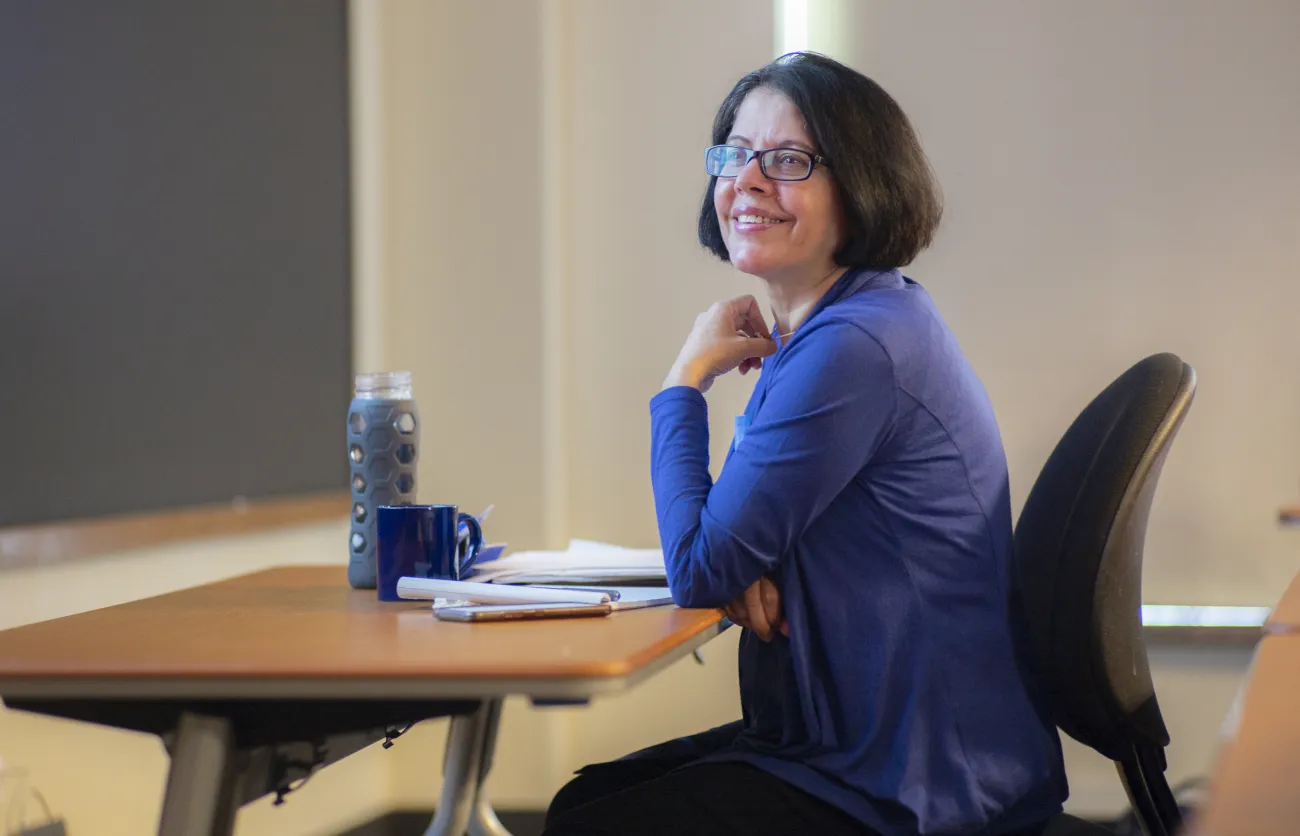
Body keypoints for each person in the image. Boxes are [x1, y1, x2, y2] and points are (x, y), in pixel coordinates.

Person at [542, 52, 1067, 836]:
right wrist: (754, 556)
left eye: (788, 161)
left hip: (914, 780)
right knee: (585, 804)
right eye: (735, 153)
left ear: (861, 188)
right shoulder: (840, 329)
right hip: (857, 747)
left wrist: (685, 378)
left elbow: (701, 564)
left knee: (592, 823)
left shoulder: (854, 345)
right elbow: (728, 550)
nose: (748, 182)